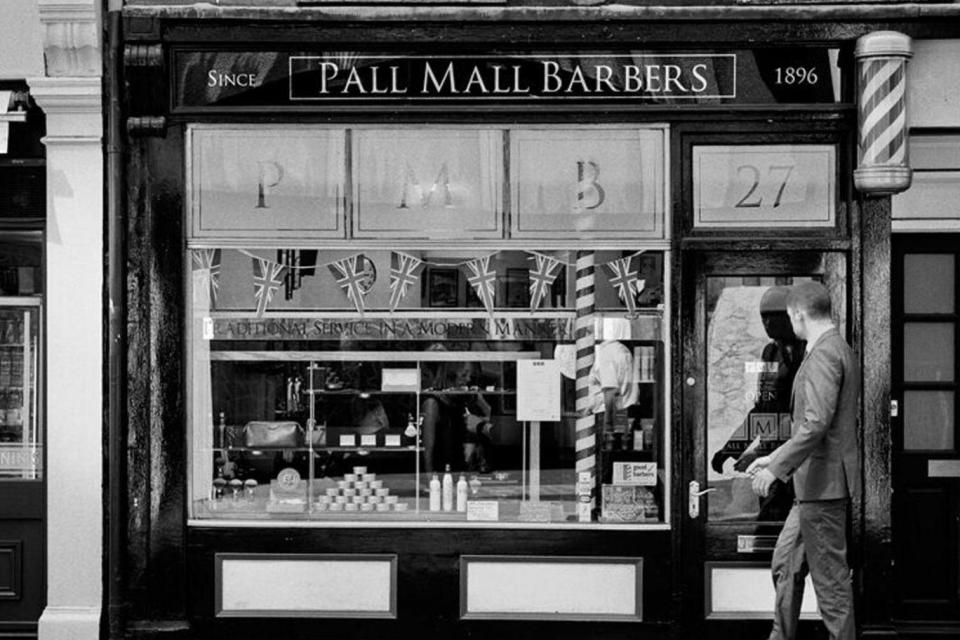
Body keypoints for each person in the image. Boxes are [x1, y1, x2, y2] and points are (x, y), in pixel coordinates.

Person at [747, 281, 860, 640]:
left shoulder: (825, 353)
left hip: (822, 488)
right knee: (786, 564)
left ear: (797, 315)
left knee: (831, 586)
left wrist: (776, 471)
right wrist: (771, 457)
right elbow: (813, 425)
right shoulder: (832, 348)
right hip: (813, 486)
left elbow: (815, 425)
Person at [711, 285, 803, 523]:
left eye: (773, 316)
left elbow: (801, 417)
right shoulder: (770, 352)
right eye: (764, 317)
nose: (767, 324)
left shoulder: (806, 353)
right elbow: (763, 407)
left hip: (796, 454)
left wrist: (758, 452)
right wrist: (731, 448)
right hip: (770, 452)